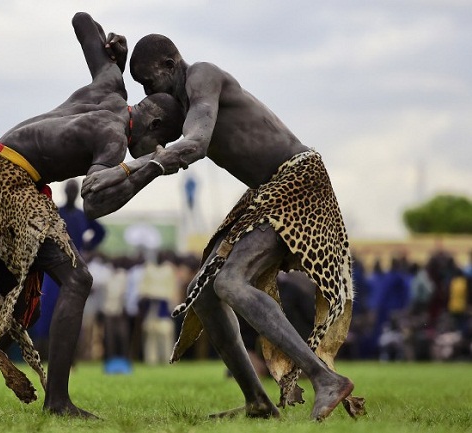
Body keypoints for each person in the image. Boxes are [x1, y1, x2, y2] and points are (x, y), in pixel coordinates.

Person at [82, 33, 365, 420]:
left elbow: (195, 144)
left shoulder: (203, 77)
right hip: (267, 190)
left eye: (149, 82)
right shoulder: (181, 106)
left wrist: (126, 168)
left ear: (170, 64)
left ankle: (325, 379)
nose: (148, 92)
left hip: (297, 179)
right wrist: (117, 63)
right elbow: (145, 163)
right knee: (205, 293)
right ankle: (258, 403)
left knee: (230, 282)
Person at [0, 12, 183, 421]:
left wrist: (116, 47)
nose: (158, 145)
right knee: (78, 280)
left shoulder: (110, 84)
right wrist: (153, 164)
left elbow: (81, 20)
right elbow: (94, 200)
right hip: (7, 183)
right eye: (162, 139)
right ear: (153, 122)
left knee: (23, 305)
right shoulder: (114, 139)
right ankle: (58, 402)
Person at [31, 179, 105, 362]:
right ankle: (41, 355)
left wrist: (87, 247)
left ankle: (70, 358)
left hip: (75, 266)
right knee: (47, 308)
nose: (71, 193)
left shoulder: (83, 215)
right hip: (54, 266)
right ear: (65, 191)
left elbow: (101, 232)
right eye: (69, 190)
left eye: (74, 190)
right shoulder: (56, 212)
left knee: (72, 309)